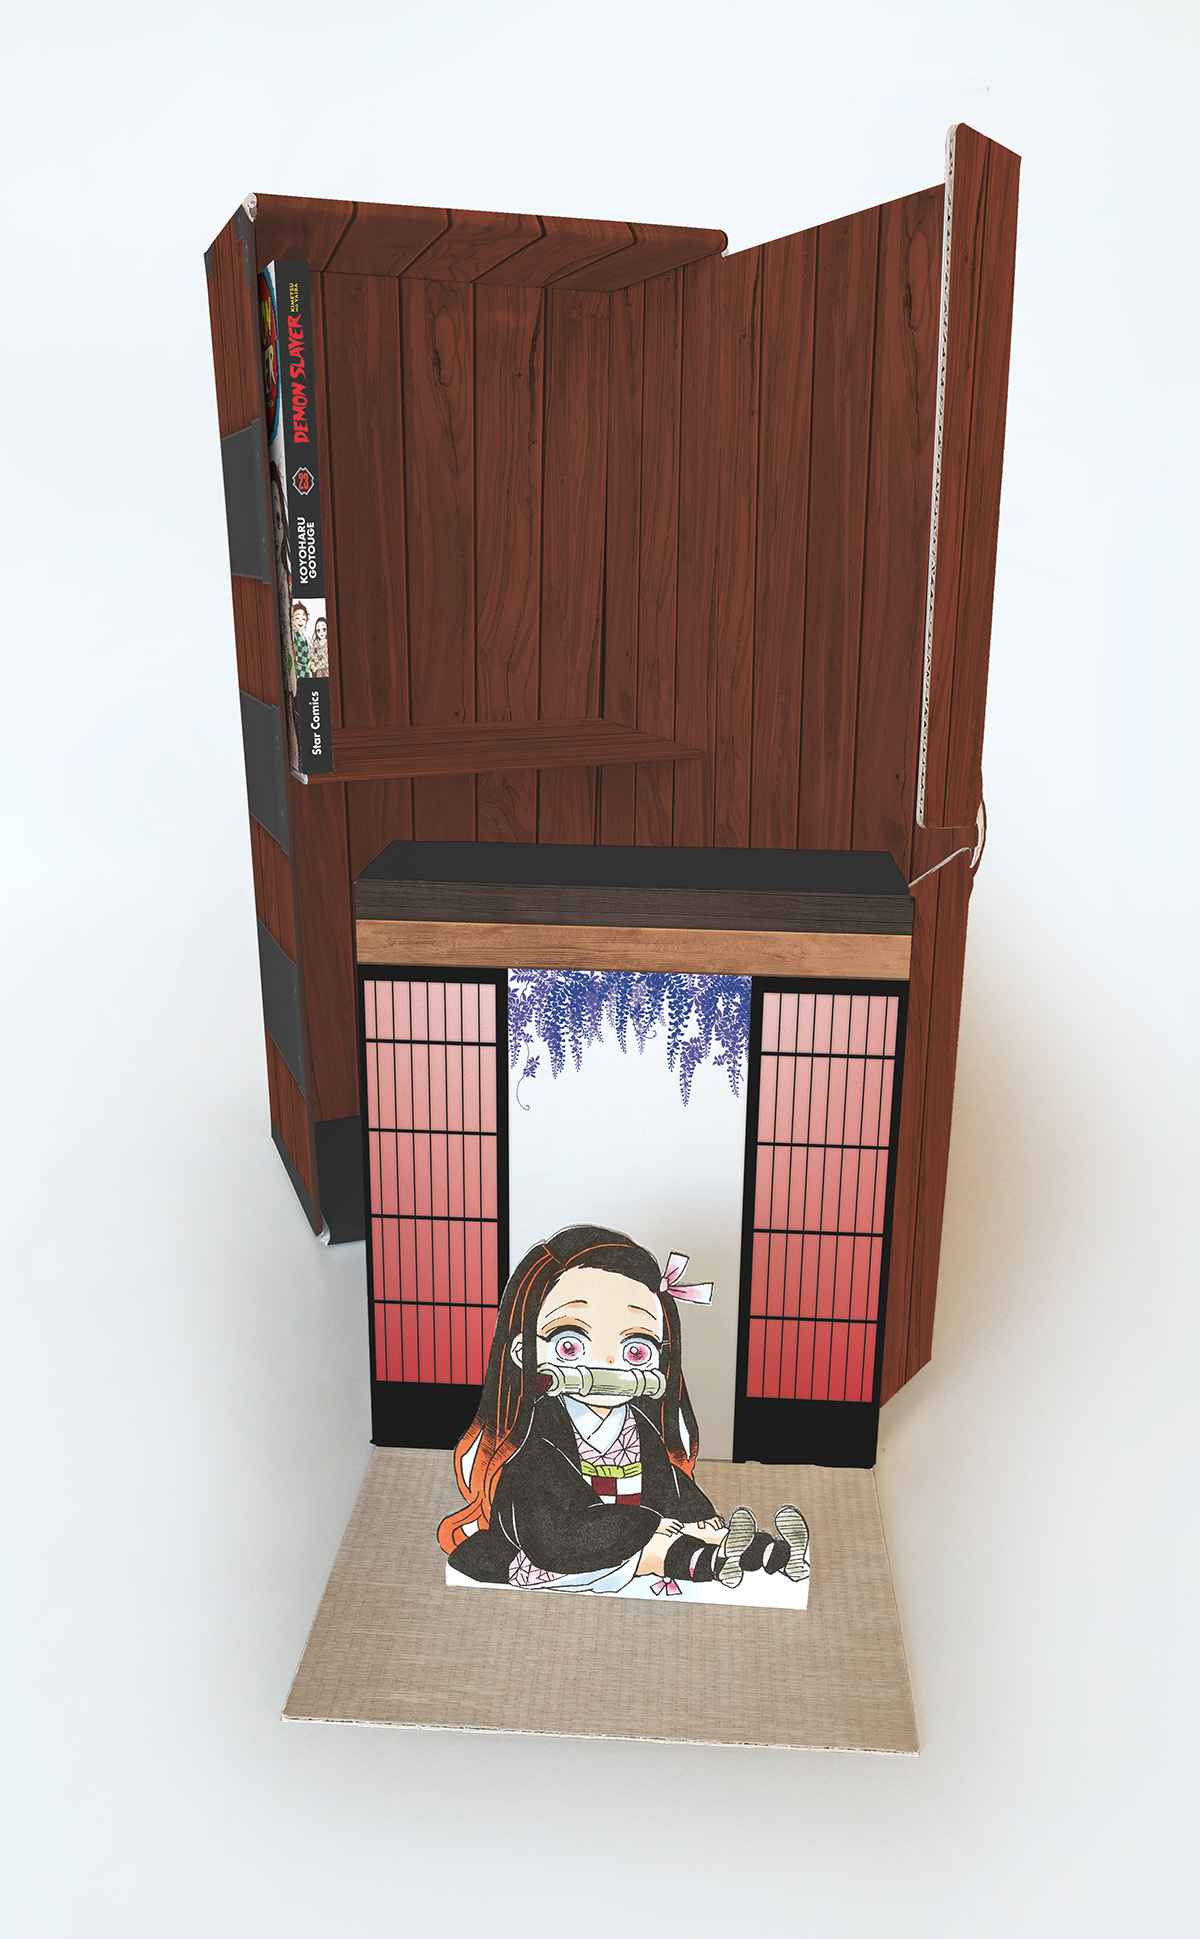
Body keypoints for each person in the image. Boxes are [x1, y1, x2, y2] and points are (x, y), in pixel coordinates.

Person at [439, 1223, 809, 1595]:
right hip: (568, 1548)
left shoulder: (640, 1425)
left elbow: (666, 1480)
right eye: (570, 1344)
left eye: (635, 1350)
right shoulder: (537, 1436)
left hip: (641, 1527)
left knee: (701, 1531)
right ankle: (709, 1562)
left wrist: (698, 1514)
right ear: (524, 1351)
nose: (609, 1363)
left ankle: (772, 1553)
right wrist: (644, 1526)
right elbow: (549, 1527)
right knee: (656, 1551)